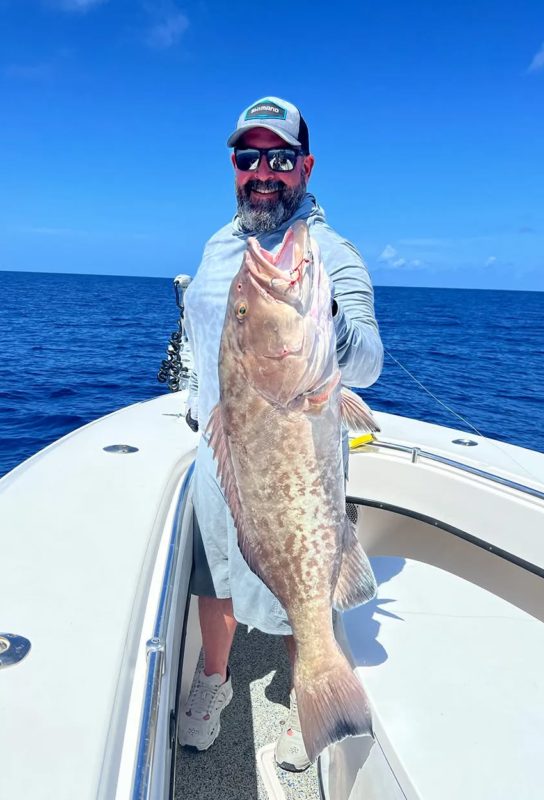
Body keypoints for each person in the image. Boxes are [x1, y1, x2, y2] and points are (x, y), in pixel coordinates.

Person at [177, 96, 383, 771]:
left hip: (290, 453)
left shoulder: (327, 254)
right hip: (221, 453)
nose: (263, 172)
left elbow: (370, 361)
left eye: (280, 158)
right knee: (215, 580)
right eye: (248, 157)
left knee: (301, 592)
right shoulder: (218, 246)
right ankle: (214, 680)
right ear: (233, 166)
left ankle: (312, 696)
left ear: (305, 166)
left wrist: (324, 320)